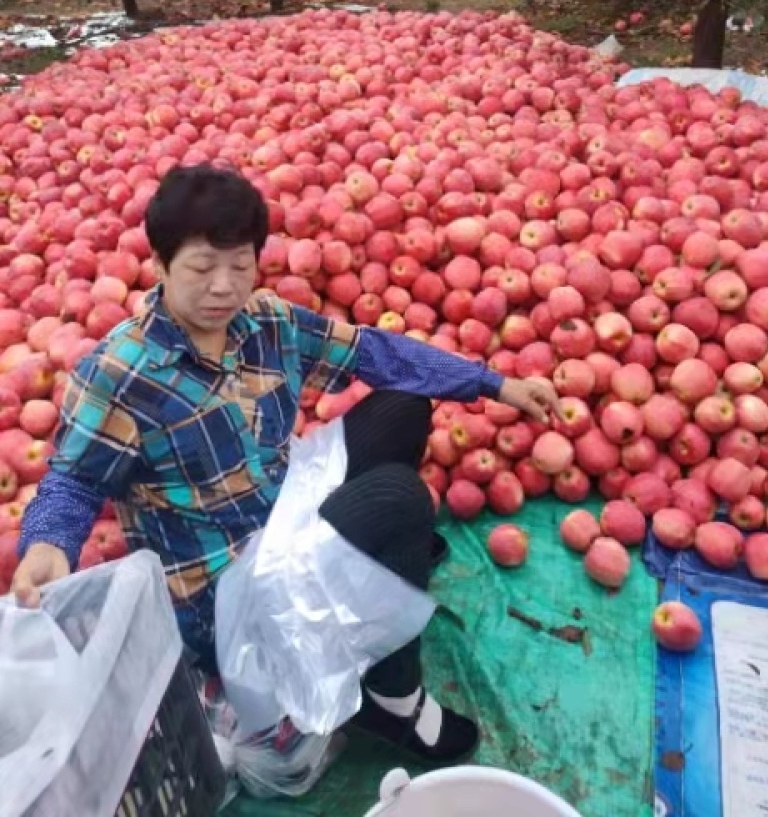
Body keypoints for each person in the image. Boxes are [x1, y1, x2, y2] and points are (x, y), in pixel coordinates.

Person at [12, 165, 562, 767]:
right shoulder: (118, 374)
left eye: (240, 265)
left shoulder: (266, 323)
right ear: (162, 265)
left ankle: (378, 566)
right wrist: (48, 543)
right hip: (226, 595)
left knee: (403, 405)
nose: (224, 287)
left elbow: (375, 354)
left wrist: (493, 384)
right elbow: (72, 481)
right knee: (397, 497)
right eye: (201, 268)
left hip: (279, 509)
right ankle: (392, 699)